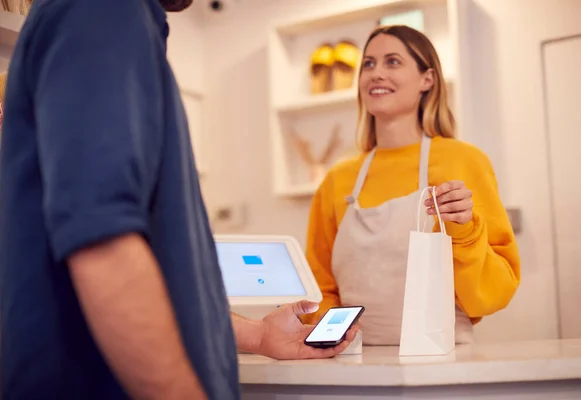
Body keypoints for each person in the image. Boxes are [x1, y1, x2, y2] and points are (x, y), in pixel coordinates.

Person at [0, 0, 356, 399]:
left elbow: (153, 270)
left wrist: (259, 335)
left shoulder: (121, 22)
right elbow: (104, 247)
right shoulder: (103, 11)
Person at [303, 25, 521, 345]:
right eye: (368, 64)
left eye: (392, 62)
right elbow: (318, 285)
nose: (376, 73)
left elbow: (490, 295)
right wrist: (330, 341)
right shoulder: (337, 179)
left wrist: (464, 231)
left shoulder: (464, 161)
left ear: (427, 79)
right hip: (353, 364)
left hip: (442, 361)